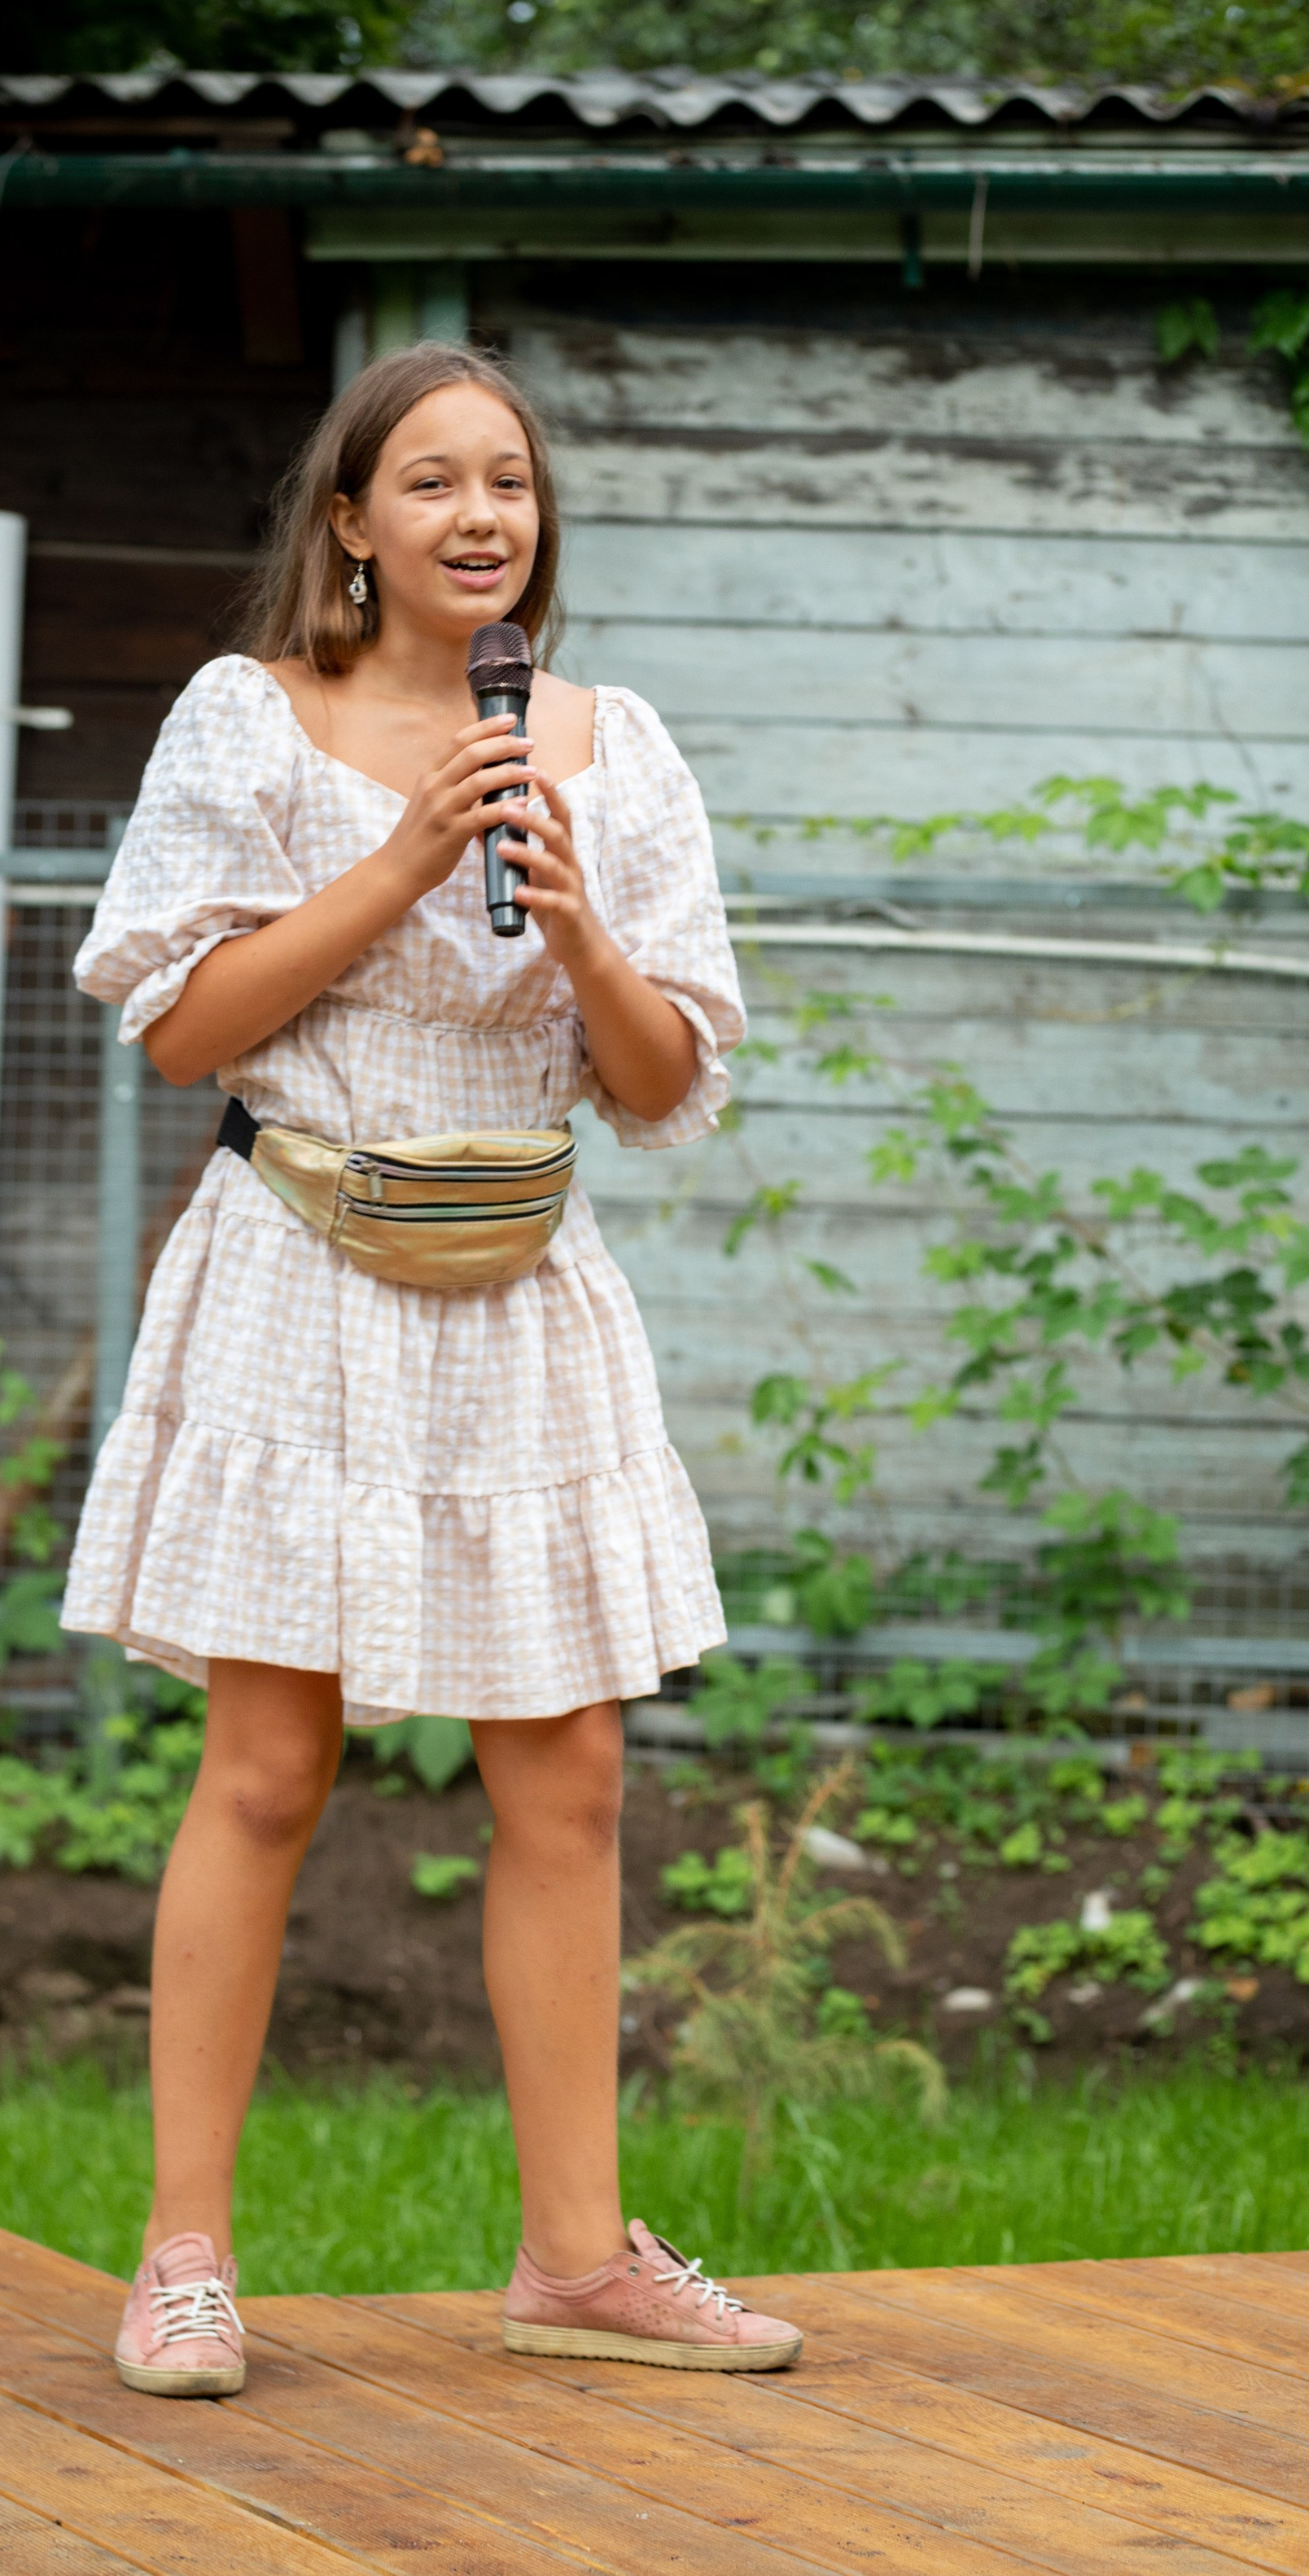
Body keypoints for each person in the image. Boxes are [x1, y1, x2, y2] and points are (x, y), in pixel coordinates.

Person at [63, 338, 803, 2394]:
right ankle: (183, 2262)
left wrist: (575, 931)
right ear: (351, 523)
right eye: (434, 483)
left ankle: (575, 2262)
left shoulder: (609, 746)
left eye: (511, 482)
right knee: (269, 1765)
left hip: (521, 1282)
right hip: (300, 1263)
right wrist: (400, 860)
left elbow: (662, 1092)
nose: (483, 514)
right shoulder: (252, 718)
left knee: (565, 1773)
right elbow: (184, 1031)